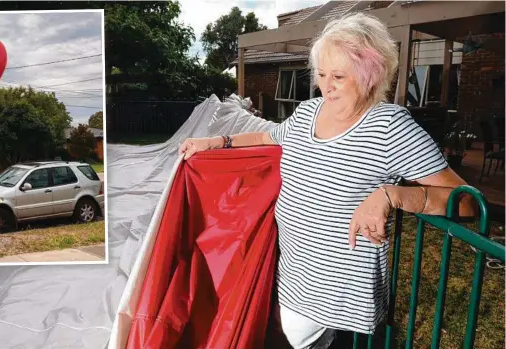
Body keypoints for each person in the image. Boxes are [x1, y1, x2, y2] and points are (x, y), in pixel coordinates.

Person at [178, 12, 476, 349]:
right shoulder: (308, 111)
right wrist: (217, 142)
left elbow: (465, 200)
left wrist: (391, 195)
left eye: (338, 76)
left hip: (338, 298)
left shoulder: (390, 127)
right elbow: (268, 138)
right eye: (321, 74)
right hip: (289, 276)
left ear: (370, 75)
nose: (326, 86)